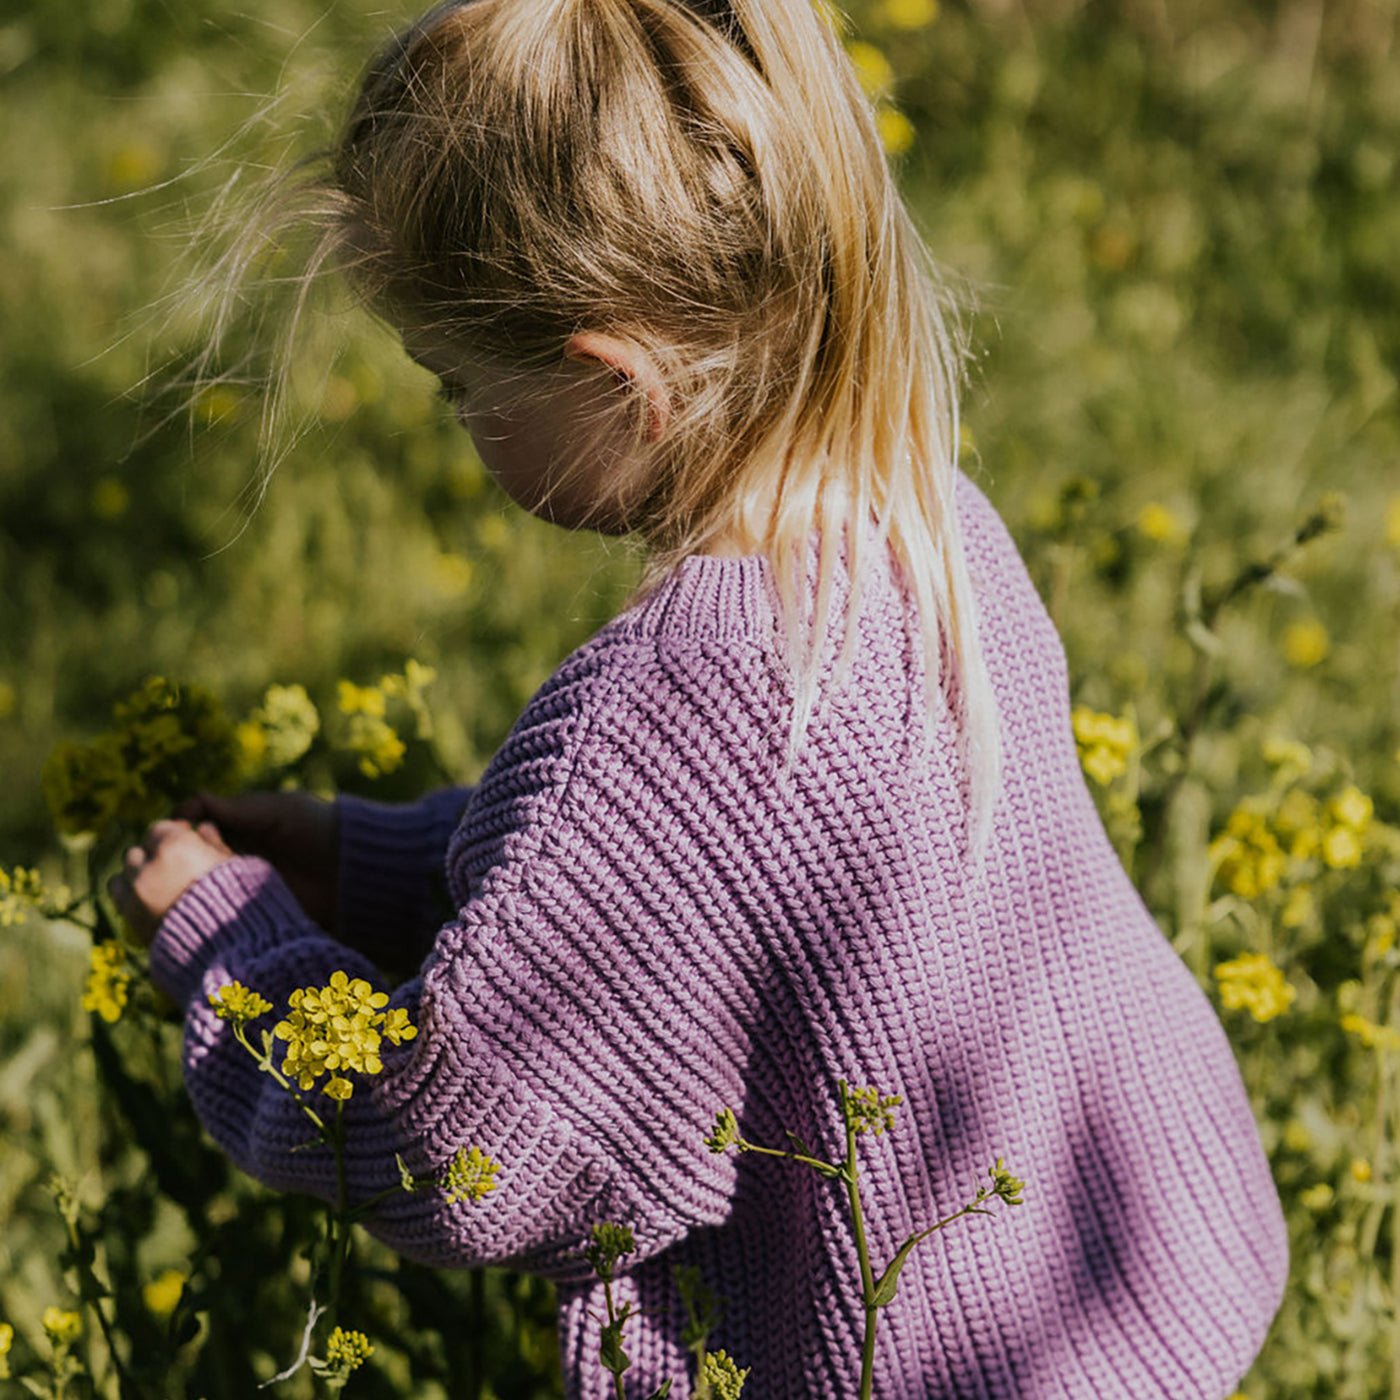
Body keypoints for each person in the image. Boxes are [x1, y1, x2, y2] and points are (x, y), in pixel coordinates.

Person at [111, 0, 1290, 1394]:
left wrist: (229, 946)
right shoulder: (924, 524)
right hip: (1113, 1295)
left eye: (455, 386)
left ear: (616, 382)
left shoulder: (676, 707)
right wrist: (373, 863)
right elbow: (689, 901)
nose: (457, 424)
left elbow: (447, 1148)